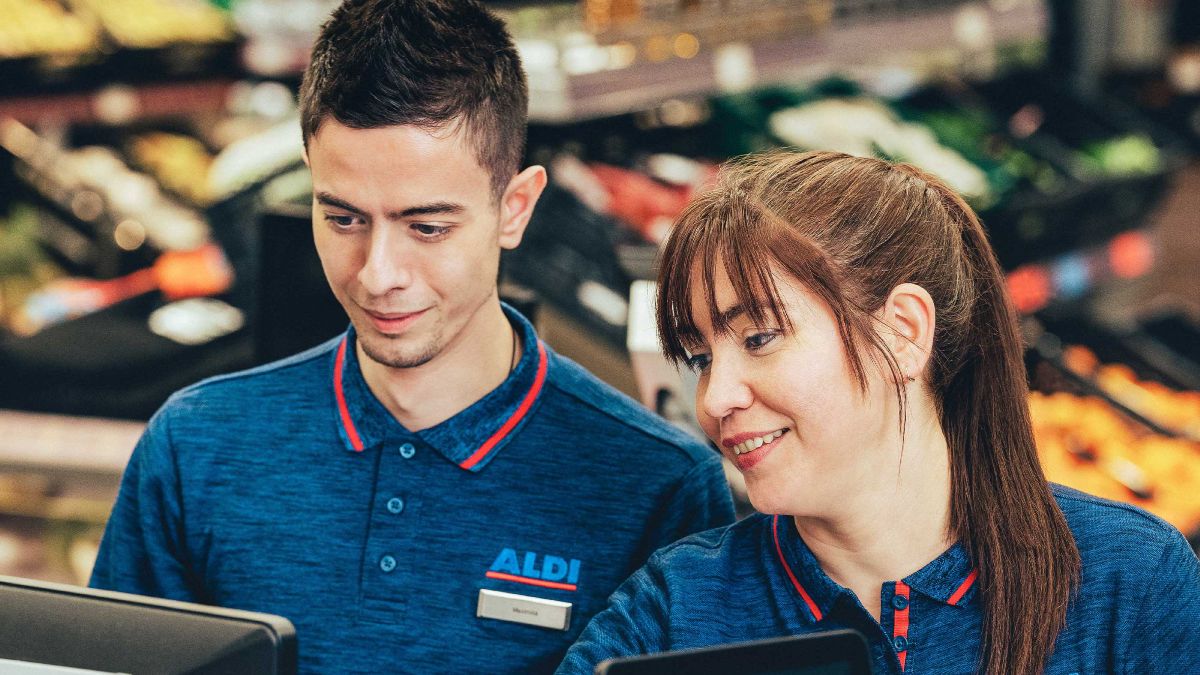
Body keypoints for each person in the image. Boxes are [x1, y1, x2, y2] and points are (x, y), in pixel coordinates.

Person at [89, 1, 734, 672]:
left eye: (426, 227)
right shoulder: (195, 448)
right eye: (343, 218)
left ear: (514, 208)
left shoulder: (658, 487)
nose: (378, 274)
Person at [559, 150, 1200, 675]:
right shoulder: (674, 613)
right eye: (700, 360)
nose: (716, 398)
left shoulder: (1129, 580)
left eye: (759, 338)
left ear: (902, 332)